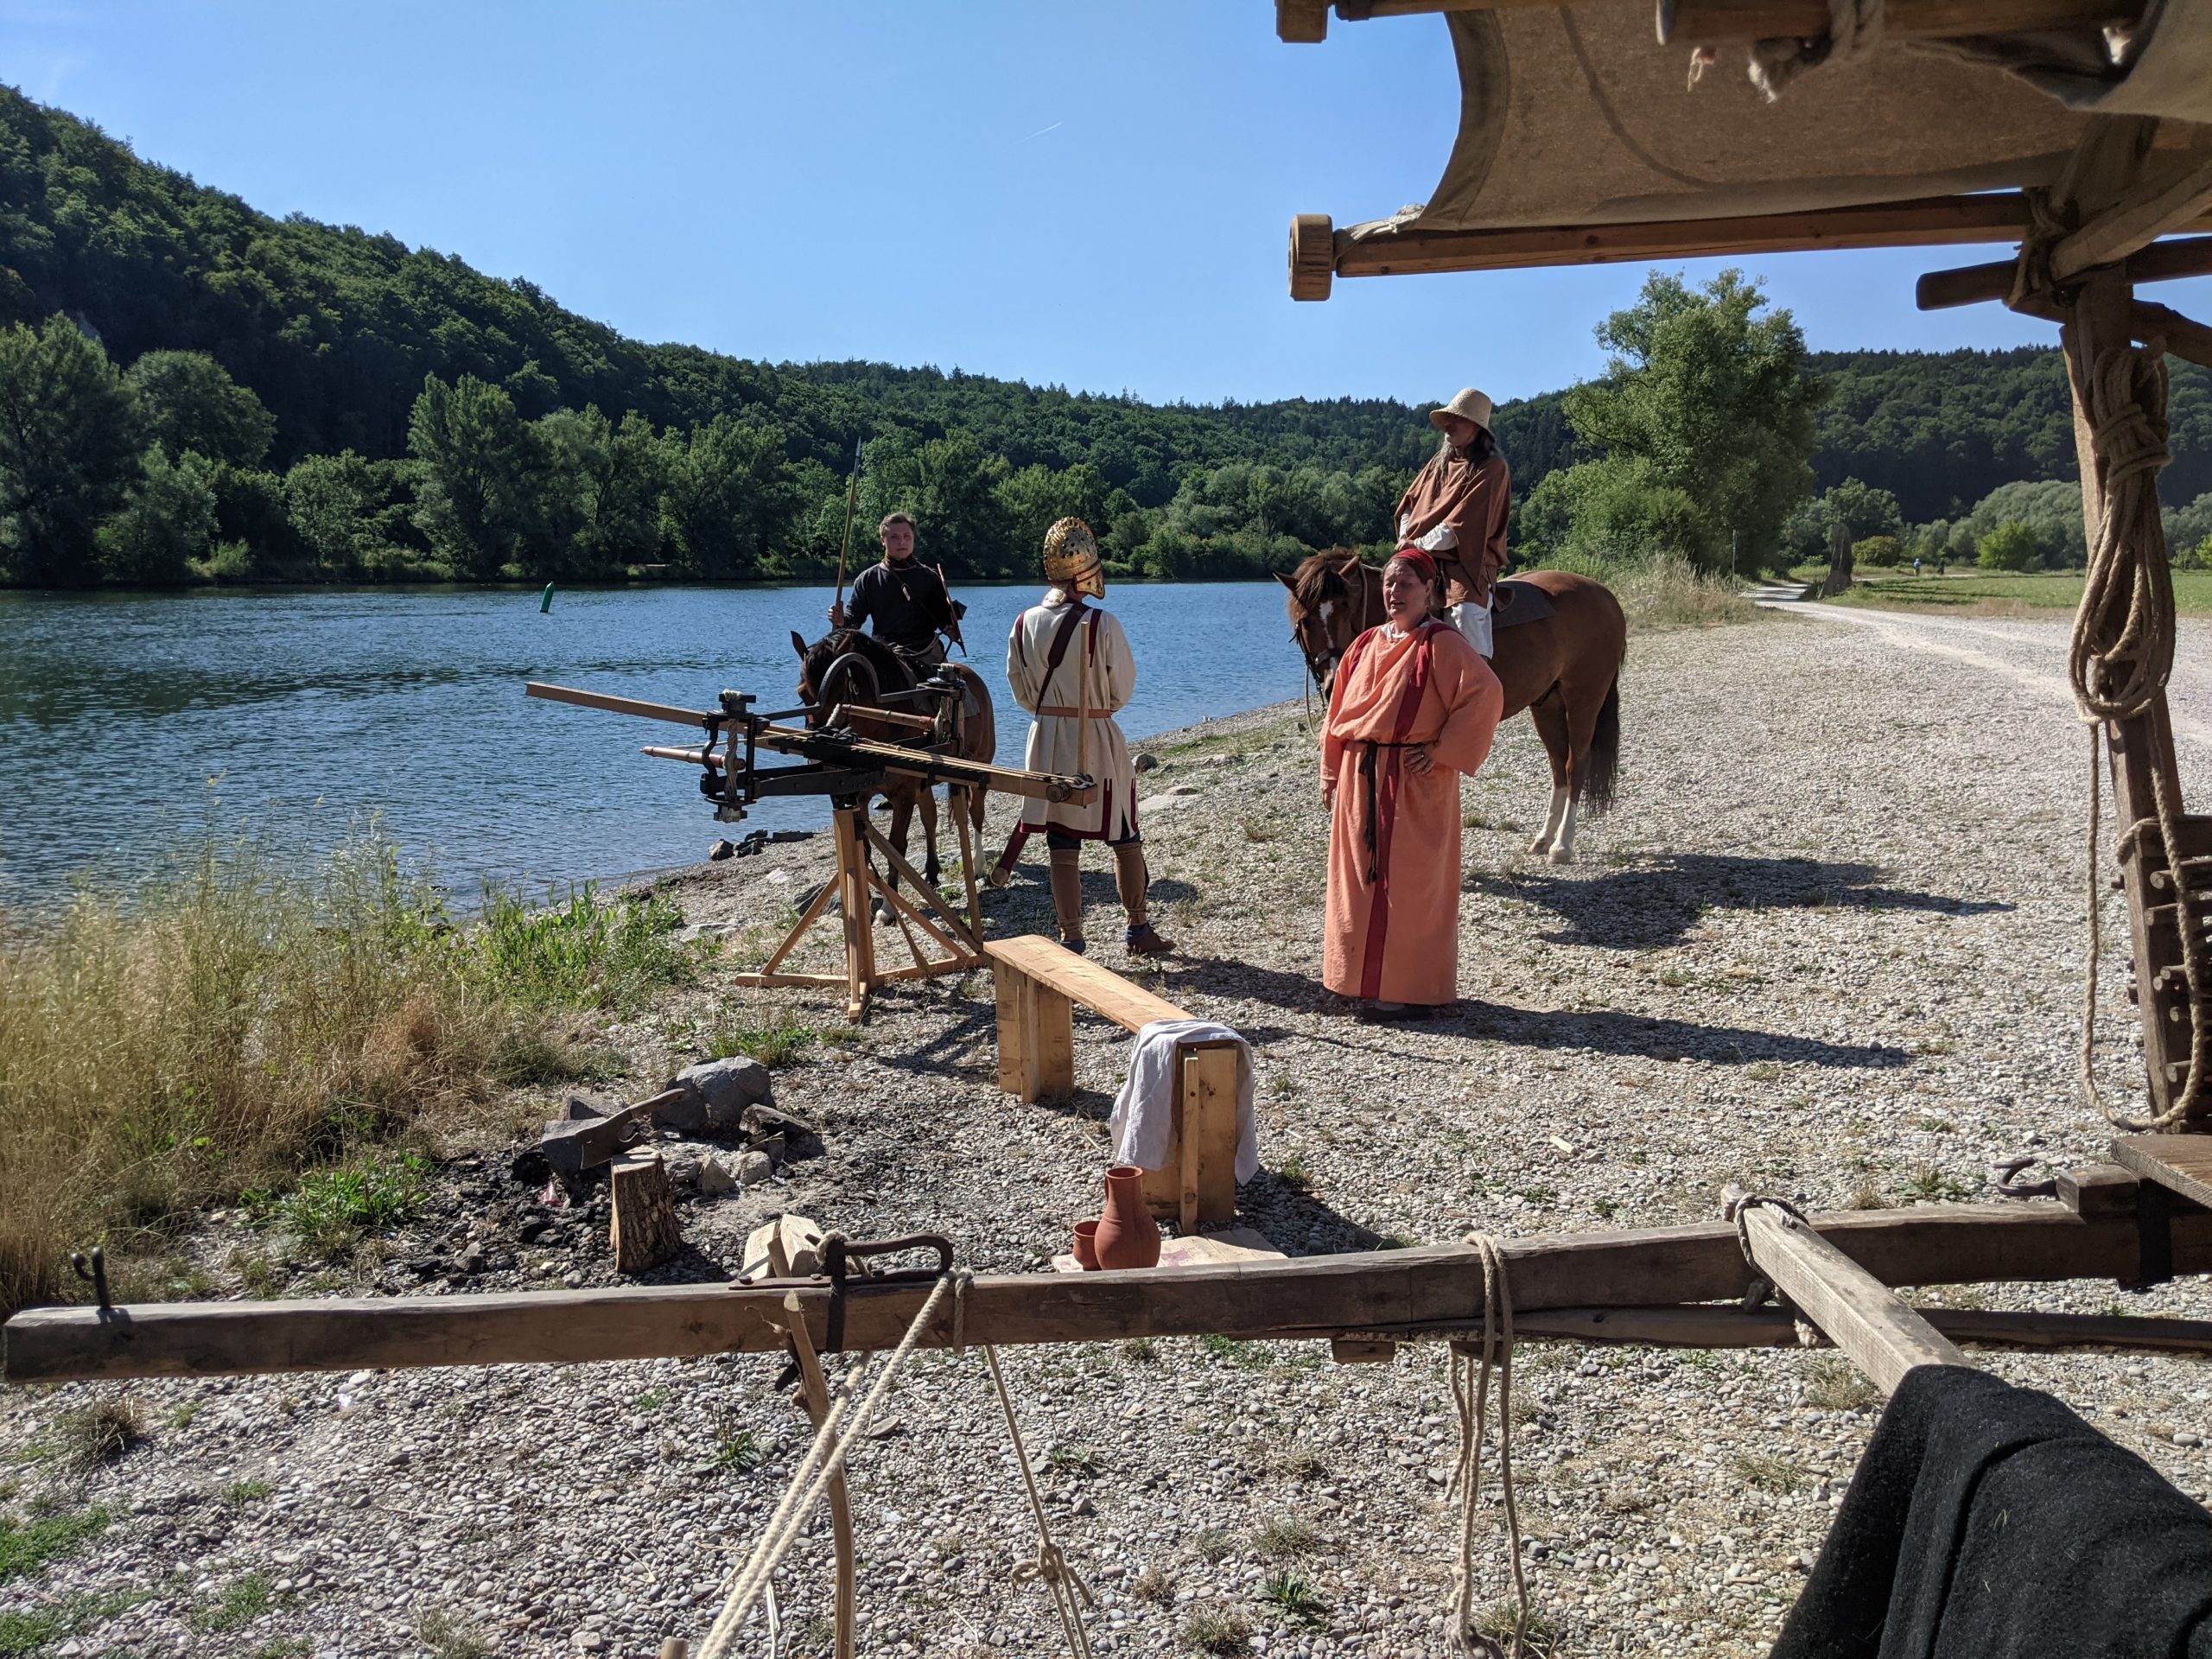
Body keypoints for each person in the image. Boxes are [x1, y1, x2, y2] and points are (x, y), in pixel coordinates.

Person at [1320, 548, 1503, 1017]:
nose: (1394, 593)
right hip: (1361, 778)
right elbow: (1337, 714)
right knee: (1357, 883)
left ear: (1429, 591)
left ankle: (1411, 989)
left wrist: (1442, 751)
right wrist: (1329, 770)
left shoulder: (1440, 643)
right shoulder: (1362, 645)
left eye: (1405, 584)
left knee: (1411, 885)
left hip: (1415, 782)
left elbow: (1485, 695)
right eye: (1389, 584)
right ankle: (1356, 978)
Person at [1003, 517, 1173, 957]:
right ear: (1085, 573)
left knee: (1062, 838)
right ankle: (1137, 928)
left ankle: (1072, 938)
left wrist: (1052, 715)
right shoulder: (1103, 623)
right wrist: (1094, 711)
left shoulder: (1023, 622)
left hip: (1044, 737)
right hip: (1094, 733)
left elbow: (1020, 690)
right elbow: (1123, 688)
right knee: (1123, 831)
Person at [1394, 388, 1510, 659]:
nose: (1448, 424)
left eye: (1457, 418)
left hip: (1466, 561)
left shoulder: (1491, 467)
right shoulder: (1439, 462)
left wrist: (1418, 545)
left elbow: (1461, 527)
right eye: (1448, 417)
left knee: (1465, 613)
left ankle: (1474, 683)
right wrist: (1405, 540)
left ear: (1476, 427)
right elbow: (1409, 505)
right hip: (1416, 556)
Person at [828, 512, 963, 668]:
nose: (902, 542)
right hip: (884, 652)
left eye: (907, 536)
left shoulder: (929, 577)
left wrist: (951, 626)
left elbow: (943, 617)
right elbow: (853, 620)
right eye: (894, 537)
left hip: (926, 650)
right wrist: (840, 619)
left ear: (913, 539)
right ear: (882, 540)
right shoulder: (868, 579)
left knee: (947, 688)